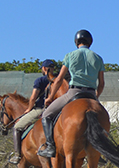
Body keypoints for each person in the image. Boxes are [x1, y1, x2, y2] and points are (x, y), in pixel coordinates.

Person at [38, 29, 106, 158]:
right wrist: (95, 97)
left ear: (76, 42)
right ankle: (100, 152)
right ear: (90, 42)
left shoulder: (70, 55)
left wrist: (50, 97)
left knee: (46, 115)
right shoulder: (98, 58)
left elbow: (58, 80)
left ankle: (50, 146)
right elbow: (101, 83)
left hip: (74, 92)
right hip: (91, 94)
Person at [8, 59, 56, 164]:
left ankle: (17, 155)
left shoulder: (40, 81)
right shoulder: (58, 80)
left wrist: (29, 109)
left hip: (41, 109)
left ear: (44, 68)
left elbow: (33, 97)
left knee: (17, 127)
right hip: (56, 108)